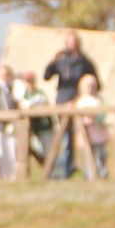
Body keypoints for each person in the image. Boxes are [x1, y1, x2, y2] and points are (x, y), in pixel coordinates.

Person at [43, 31, 97, 179]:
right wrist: (53, 61)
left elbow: (95, 81)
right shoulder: (61, 60)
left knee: (86, 136)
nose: (72, 45)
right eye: (70, 42)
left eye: (74, 42)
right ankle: (67, 169)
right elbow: (46, 76)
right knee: (65, 137)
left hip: (80, 102)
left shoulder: (85, 62)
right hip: (63, 101)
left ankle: (90, 171)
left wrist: (81, 98)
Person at [74, 74, 109, 177]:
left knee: (101, 154)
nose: (90, 89)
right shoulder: (80, 101)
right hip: (86, 132)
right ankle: (90, 174)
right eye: (87, 86)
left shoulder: (98, 100)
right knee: (88, 155)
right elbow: (78, 117)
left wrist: (97, 119)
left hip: (98, 132)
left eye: (92, 86)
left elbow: (103, 114)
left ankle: (101, 173)